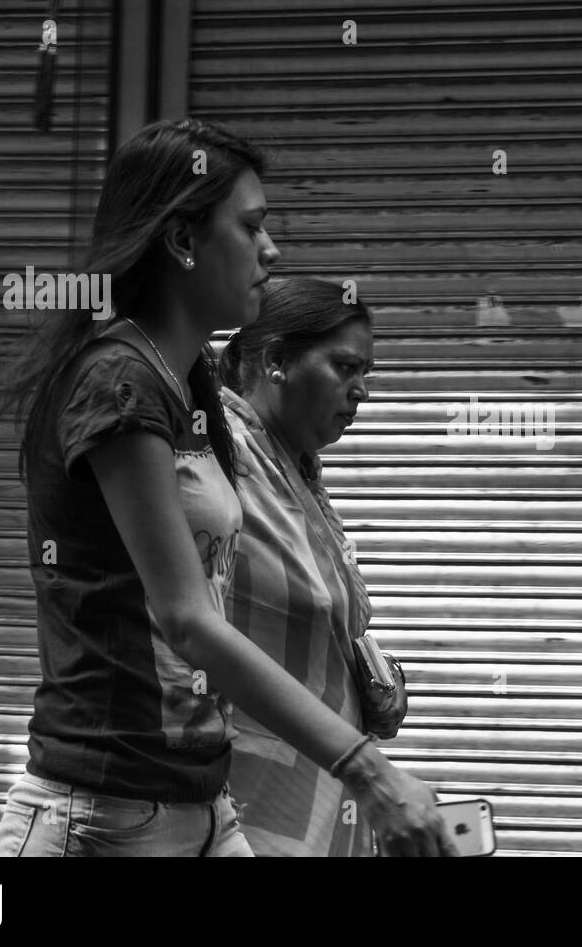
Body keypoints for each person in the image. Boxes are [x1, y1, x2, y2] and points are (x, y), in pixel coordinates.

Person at [0, 118, 455, 856]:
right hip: (104, 814)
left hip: (200, 801)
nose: (270, 252)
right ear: (182, 240)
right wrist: (367, 769)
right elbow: (187, 620)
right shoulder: (118, 382)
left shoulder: (193, 383)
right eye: (251, 227)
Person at [218, 277, 407, 856]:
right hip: (252, 810)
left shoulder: (296, 473)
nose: (362, 391)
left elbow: (320, 618)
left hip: (320, 804)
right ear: (276, 361)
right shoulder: (219, 460)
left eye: (366, 372)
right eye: (346, 368)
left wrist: (376, 677)